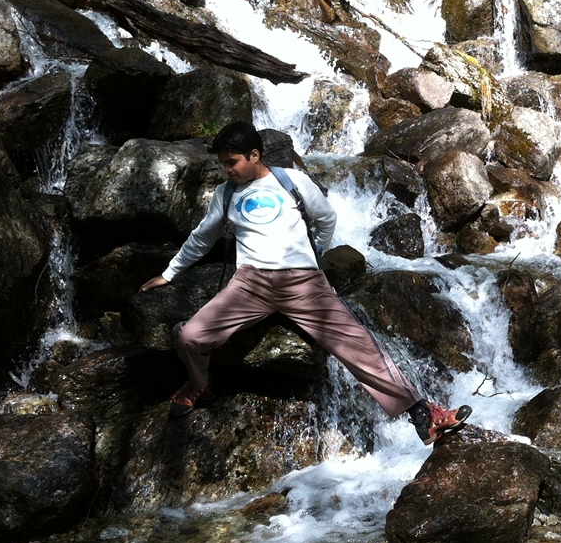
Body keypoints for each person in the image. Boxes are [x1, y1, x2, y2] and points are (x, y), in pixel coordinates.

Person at [139, 121, 469, 444]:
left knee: (359, 346)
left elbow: (325, 217)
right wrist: (169, 273)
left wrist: (318, 256)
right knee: (190, 335)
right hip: (249, 285)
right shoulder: (225, 195)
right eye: (223, 163)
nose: (227, 170)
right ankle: (198, 384)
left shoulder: (291, 181)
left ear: (255, 155)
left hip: (303, 283)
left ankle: (423, 415)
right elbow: (202, 238)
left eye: (232, 162)